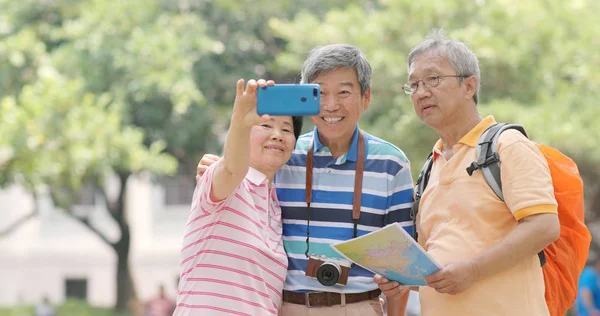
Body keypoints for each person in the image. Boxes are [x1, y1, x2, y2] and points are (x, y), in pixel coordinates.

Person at [197, 44, 414, 315]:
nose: (331, 104)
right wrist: (216, 164)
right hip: (289, 307)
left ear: (366, 97)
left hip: (359, 306)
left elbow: (401, 267)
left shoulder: (391, 164)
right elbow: (238, 175)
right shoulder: (283, 154)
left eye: (344, 92)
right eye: (319, 93)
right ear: (306, 97)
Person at [376, 29, 560, 316]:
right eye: (413, 85)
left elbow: (544, 226)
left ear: (469, 86)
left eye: (433, 79)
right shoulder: (429, 168)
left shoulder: (507, 145)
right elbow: (436, 264)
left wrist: (473, 270)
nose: (421, 92)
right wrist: (403, 282)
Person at [175, 78, 303, 315]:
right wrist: (240, 121)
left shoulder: (275, 206)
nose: (277, 134)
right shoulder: (225, 180)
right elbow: (233, 168)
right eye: (266, 125)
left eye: (287, 129)